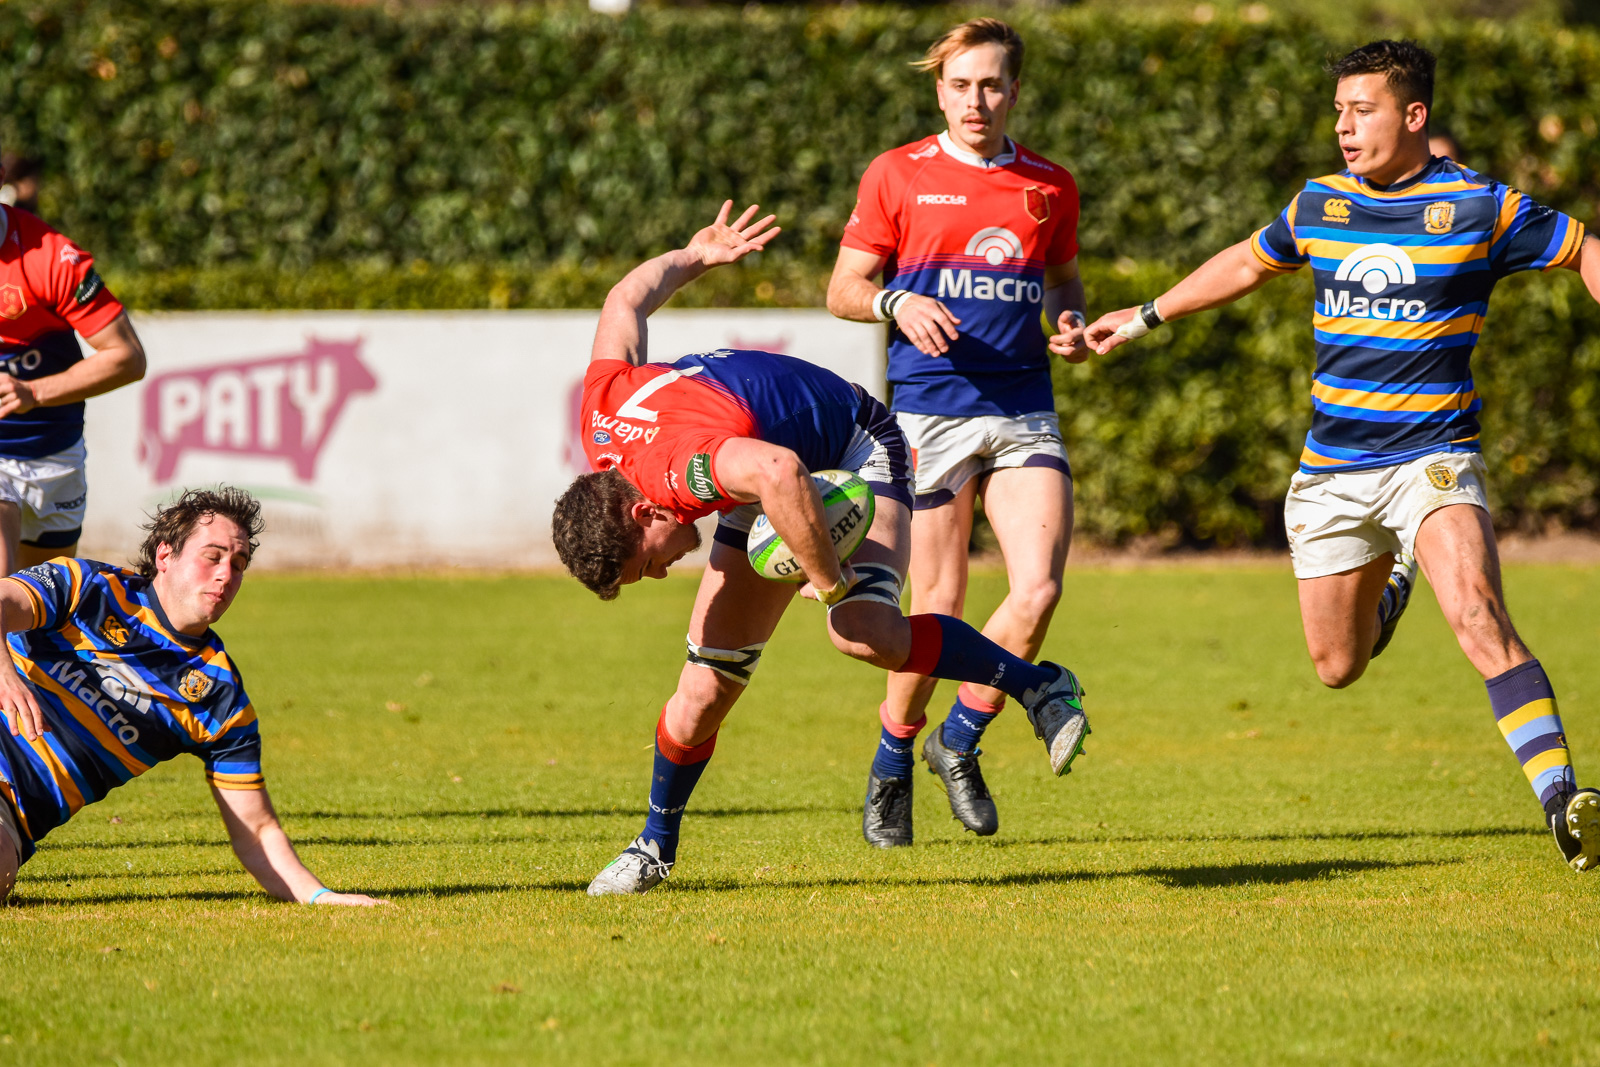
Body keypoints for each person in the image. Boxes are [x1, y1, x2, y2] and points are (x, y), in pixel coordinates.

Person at [1083, 40, 1600, 872]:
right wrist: (1144, 315)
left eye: (1362, 110)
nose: (1344, 127)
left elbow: (1583, 249)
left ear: (1414, 116)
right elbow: (1248, 263)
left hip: (1432, 458)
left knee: (1476, 614)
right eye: (1338, 111)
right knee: (1335, 666)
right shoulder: (1320, 204)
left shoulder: (1480, 207)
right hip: (1330, 472)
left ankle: (1564, 802)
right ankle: (1394, 582)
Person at [551, 202, 1089, 896]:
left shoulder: (681, 471)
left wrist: (826, 579)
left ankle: (1039, 686)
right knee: (701, 690)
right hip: (767, 470)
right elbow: (626, 298)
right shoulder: (602, 419)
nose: (657, 571)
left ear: (644, 510)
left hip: (854, 444)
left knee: (862, 630)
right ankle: (653, 845)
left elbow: (779, 473)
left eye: (643, 561)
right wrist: (696, 255)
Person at [826, 18, 1090, 847]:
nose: (977, 100)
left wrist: (1070, 321)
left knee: (1037, 590)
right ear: (939, 90)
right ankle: (893, 757)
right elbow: (843, 287)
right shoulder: (897, 174)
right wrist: (894, 300)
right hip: (929, 410)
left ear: (1016, 90)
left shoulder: (1049, 183)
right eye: (961, 84)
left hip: (1022, 409)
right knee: (938, 605)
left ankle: (959, 740)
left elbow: (1062, 277)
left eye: (993, 84)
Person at [0, 487, 385, 906]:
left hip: (11, 810)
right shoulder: (88, 588)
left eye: (238, 564)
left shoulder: (217, 695)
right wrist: (5, 672)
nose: (226, 574)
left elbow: (256, 830)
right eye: (213, 556)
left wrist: (318, 896)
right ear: (165, 556)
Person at [0, 150, 147, 576]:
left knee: (42, 615)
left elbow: (127, 357)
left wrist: (34, 392)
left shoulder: (49, 257)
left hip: (54, 455)